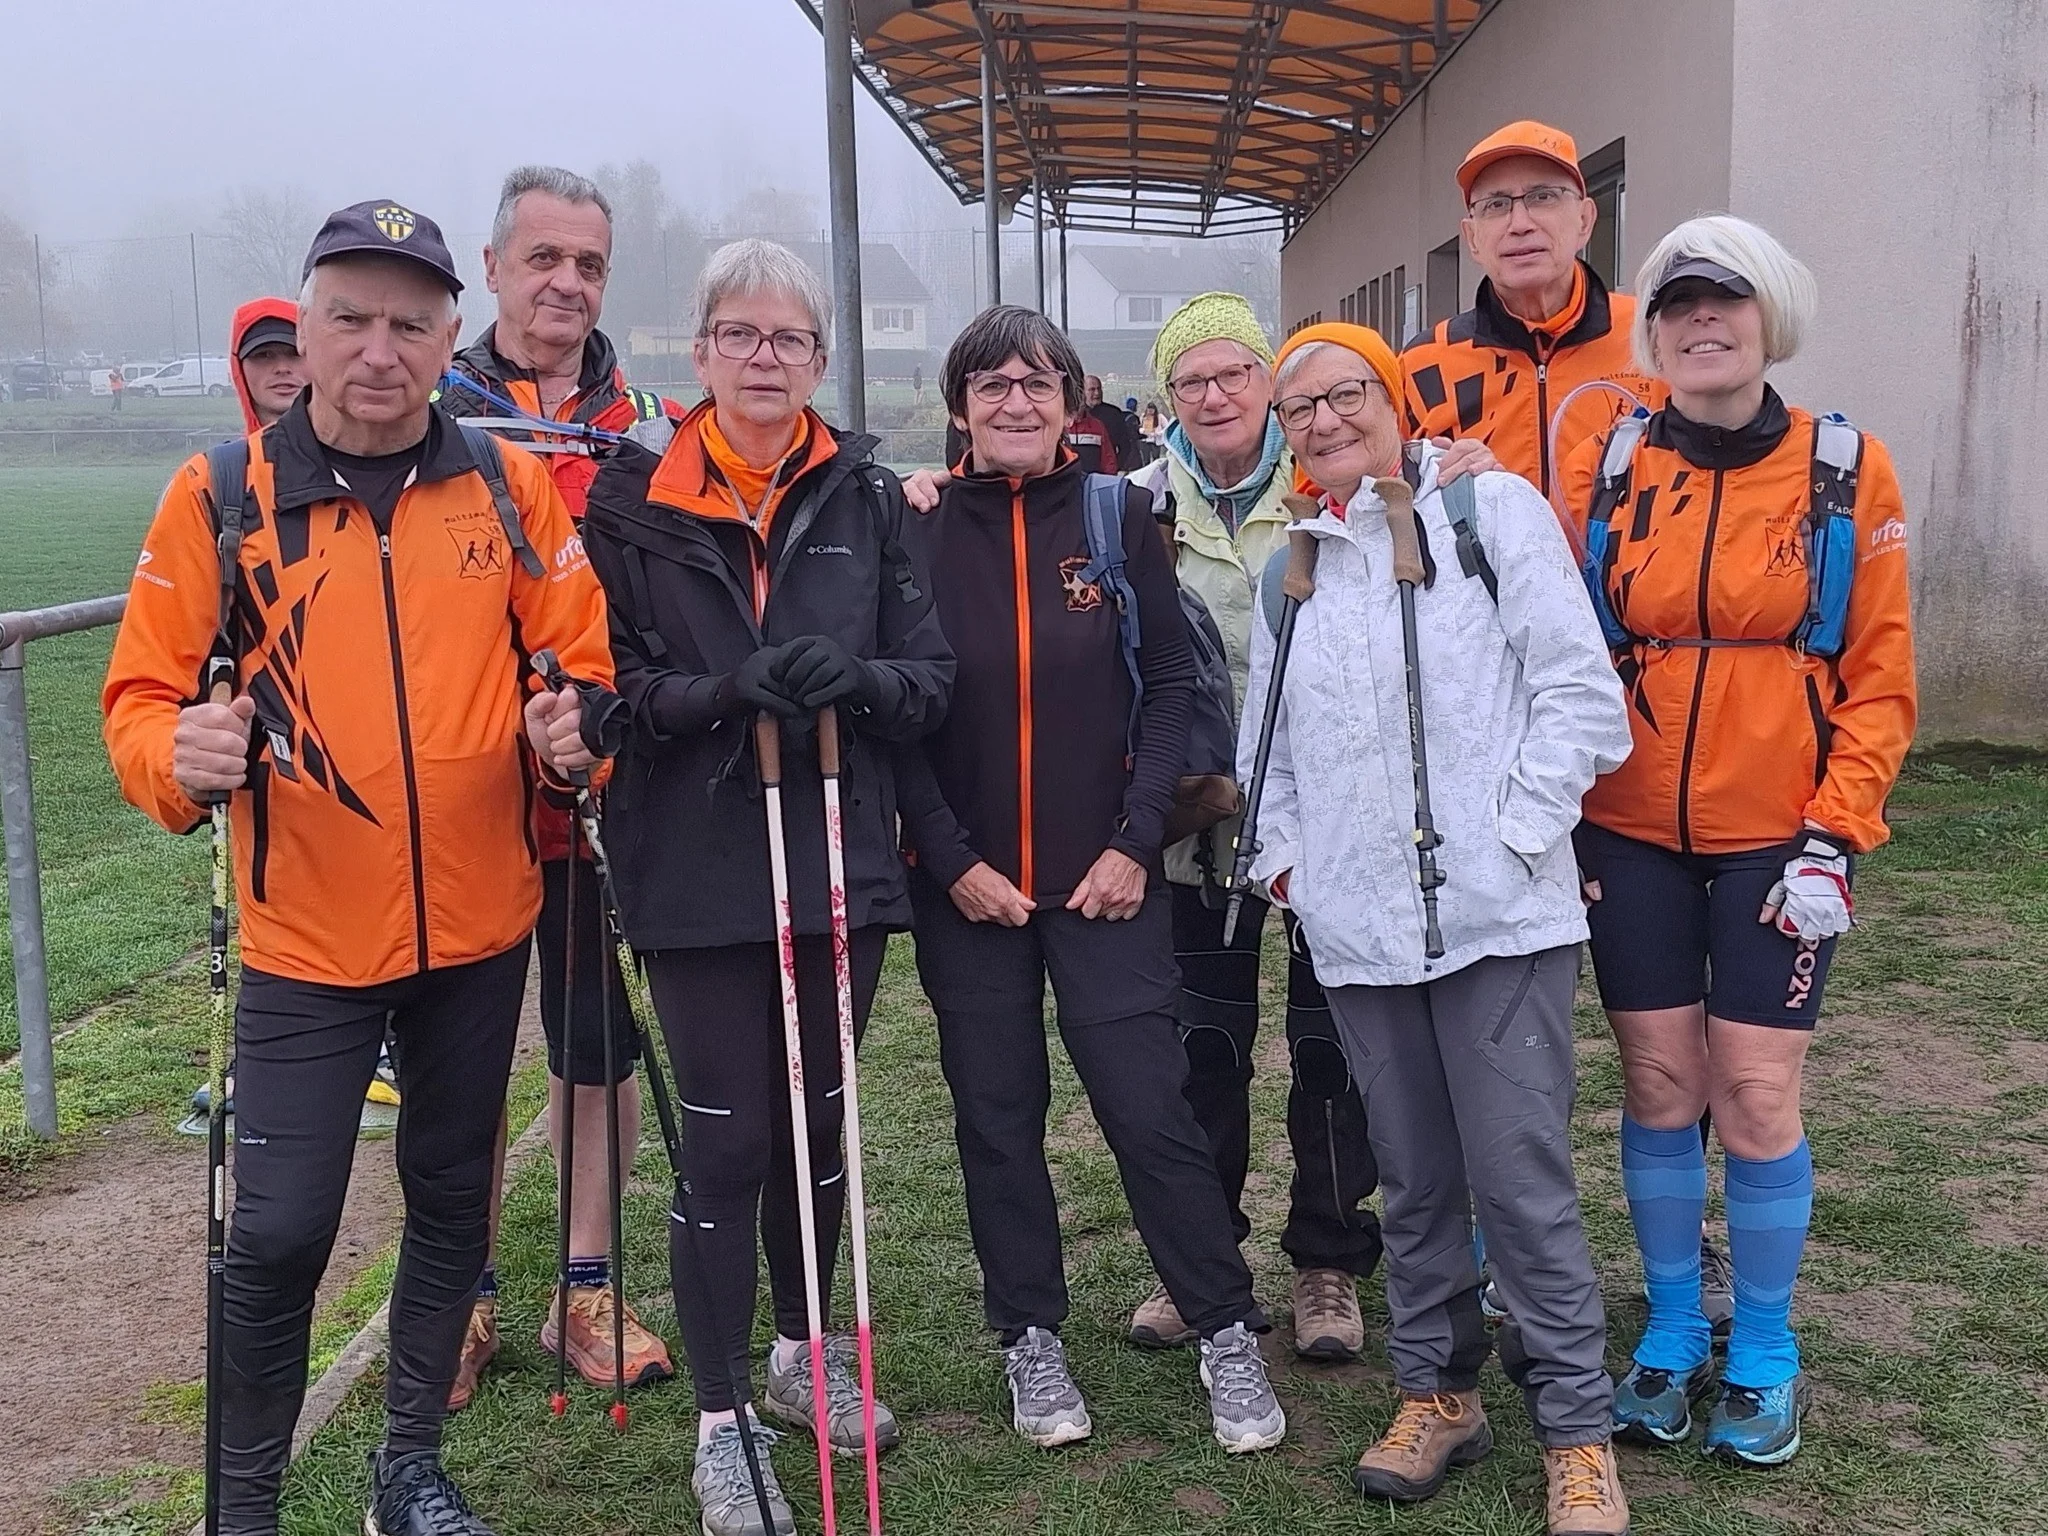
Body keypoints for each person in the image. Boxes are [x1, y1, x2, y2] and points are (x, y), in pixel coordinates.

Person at [103, 200, 613, 1536]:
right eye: (351, 318)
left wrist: (574, 735)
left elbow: (582, 664)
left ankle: (408, 1471)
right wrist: (184, 756)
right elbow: (140, 703)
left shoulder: (501, 489)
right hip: (304, 944)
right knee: (274, 1235)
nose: (379, 349)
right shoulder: (223, 498)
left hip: (480, 930)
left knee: (453, 1204)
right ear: (306, 325)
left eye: (409, 323)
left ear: (450, 335)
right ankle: (244, 1505)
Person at [580, 237, 952, 1536]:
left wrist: (857, 684)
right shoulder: (630, 505)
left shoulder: (862, 495)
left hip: (840, 856)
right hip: (696, 865)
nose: (763, 358)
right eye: (739, 335)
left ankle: (806, 1353)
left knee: (821, 1128)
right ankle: (723, 1419)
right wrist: (721, 694)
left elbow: (929, 676)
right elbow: (607, 692)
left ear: (820, 356)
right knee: (735, 1139)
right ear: (700, 350)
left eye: (788, 339)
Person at [1246, 320, 1635, 1535]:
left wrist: (1515, 842)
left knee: (1518, 1183)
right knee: (1410, 1183)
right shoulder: (1290, 568)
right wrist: (1292, 870)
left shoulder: (1491, 515)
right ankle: (1436, 1392)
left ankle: (1577, 1431)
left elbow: (1579, 693)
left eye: (1343, 393)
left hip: (1498, 924)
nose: (1321, 421)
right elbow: (1268, 750)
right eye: (1296, 407)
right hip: (1359, 938)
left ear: (1393, 399)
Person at [897, 303, 1285, 1459]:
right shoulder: (905, 530)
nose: (1014, 402)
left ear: (1074, 402)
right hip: (967, 892)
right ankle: (1028, 1337)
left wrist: (1129, 843)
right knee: (997, 1120)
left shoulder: (1120, 515)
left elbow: (1168, 682)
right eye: (990, 384)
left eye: (1037, 382)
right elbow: (895, 721)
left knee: (1146, 1108)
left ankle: (1222, 1327)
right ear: (957, 406)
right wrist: (952, 861)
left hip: (1107, 879)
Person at [1562, 217, 1915, 1467]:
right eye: (1676, 306)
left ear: (1769, 318)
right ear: (1651, 333)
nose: (1700, 323)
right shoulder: (1608, 465)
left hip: (1784, 836)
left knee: (1755, 1089)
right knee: (1659, 1082)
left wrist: (1837, 831)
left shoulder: (1842, 469)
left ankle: (1761, 1348)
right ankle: (1668, 1328)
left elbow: (1876, 678)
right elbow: (1566, 648)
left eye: (1727, 302)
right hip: (1629, 827)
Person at [437, 165, 678, 1413]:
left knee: (596, 1051)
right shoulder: (433, 415)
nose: (566, 284)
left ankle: (585, 1286)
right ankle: (458, 1292)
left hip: (601, 790)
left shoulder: (645, 429)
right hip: (461, 800)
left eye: (587, 264)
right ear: (491, 269)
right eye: (543, 260)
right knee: (462, 1062)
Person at [1122, 291, 1385, 1364]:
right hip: (1193, 834)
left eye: (1236, 373)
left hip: (1328, 829)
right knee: (1201, 1051)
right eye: (1192, 380)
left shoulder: (1333, 492)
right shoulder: (1130, 507)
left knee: (1332, 1047)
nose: (1216, 394)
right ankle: (1200, 1260)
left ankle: (1327, 1261)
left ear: (1269, 388)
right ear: (1167, 398)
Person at [1402, 121, 1665, 507]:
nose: (1520, 224)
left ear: (1585, 220)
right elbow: (1366, 497)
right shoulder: (1423, 365)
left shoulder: (1653, 338)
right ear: (1472, 238)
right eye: (1496, 205)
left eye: (1543, 197)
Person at [230, 300, 307, 432]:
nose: (282, 368)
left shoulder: (352, 449)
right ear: (239, 368)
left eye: (295, 353)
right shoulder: (229, 453)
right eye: (264, 355)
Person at [1083, 371, 1137, 467]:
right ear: (1083, 392)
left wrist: (1117, 466)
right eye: (1092, 389)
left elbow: (1125, 445)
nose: (1097, 393)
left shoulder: (1113, 413)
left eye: (1099, 389)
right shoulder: (1075, 415)